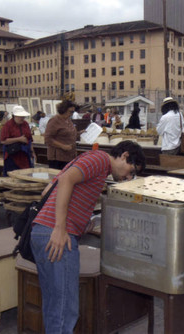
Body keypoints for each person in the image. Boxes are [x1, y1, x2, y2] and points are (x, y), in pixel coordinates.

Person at [31, 140, 146, 334]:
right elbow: (67, 180)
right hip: (57, 235)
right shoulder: (100, 159)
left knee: (55, 305)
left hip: (42, 232)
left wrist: (80, 222)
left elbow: (48, 190)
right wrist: (60, 228)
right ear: (125, 156)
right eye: (131, 170)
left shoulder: (90, 160)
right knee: (65, 310)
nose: (128, 176)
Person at [0, 106, 35, 175]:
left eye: (23, 117)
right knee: (12, 175)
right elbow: (3, 141)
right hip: (12, 155)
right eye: (20, 117)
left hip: (24, 155)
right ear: (14, 116)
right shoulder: (8, 125)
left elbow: (29, 140)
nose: (22, 119)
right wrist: (18, 139)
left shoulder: (25, 124)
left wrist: (32, 152)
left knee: (26, 174)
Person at [44, 100, 78, 170]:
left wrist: (80, 133)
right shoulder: (54, 120)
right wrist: (63, 146)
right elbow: (47, 139)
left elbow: (68, 133)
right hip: (58, 158)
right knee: (58, 179)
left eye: (73, 112)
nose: (72, 114)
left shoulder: (68, 120)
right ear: (63, 110)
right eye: (71, 111)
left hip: (69, 156)